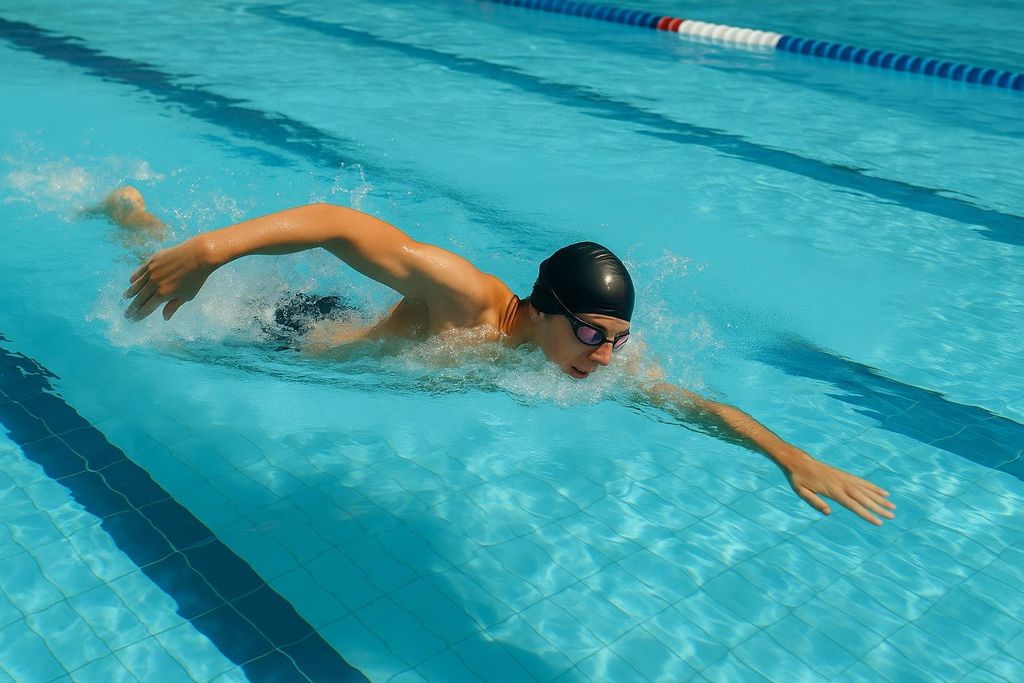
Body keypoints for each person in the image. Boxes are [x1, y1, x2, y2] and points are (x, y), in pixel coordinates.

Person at [99, 187, 896, 526]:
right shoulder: (469, 298)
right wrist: (211, 249)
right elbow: (339, 223)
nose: (604, 356)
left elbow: (695, 406)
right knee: (179, 283)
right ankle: (133, 215)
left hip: (354, 337)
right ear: (544, 306)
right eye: (590, 332)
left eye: (616, 341)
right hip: (286, 335)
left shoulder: (572, 358)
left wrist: (789, 455)